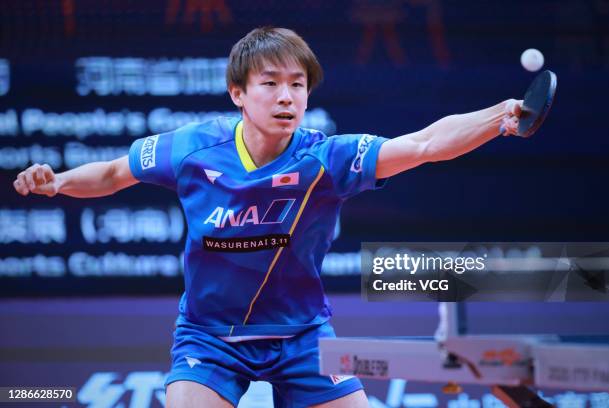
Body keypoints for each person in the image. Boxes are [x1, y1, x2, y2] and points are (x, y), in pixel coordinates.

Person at [13, 27, 522, 408]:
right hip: (211, 337)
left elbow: (426, 144)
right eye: (271, 83)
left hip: (301, 335)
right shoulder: (195, 148)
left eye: (298, 85)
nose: (287, 97)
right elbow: (112, 172)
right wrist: (58, 181)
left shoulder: (326, 158)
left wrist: (498, 116)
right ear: (238, 93)